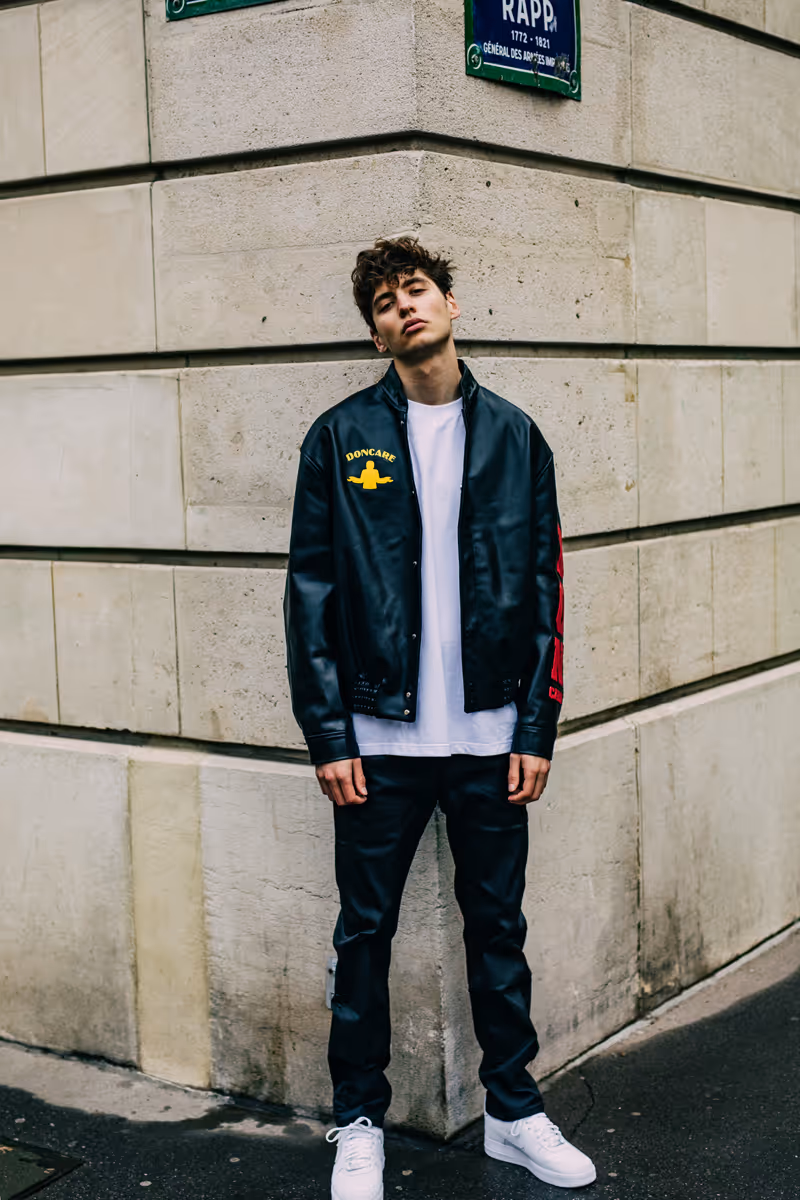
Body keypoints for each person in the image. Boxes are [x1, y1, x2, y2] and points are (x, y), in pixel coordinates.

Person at [283, 237, 595, 1199]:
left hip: (490, 738)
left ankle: (513, 1112)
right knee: (363, 938)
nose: (403, 307)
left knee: (498, 932)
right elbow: (310, 594)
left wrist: (535, 728)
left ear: (451, 305)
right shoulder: (339, 438)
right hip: (378, 742)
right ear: (375, 334)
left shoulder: (516, 437)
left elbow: (545, 591)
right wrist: (330, 736)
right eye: (384, 302)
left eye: (415, 290)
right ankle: (359, 1122)